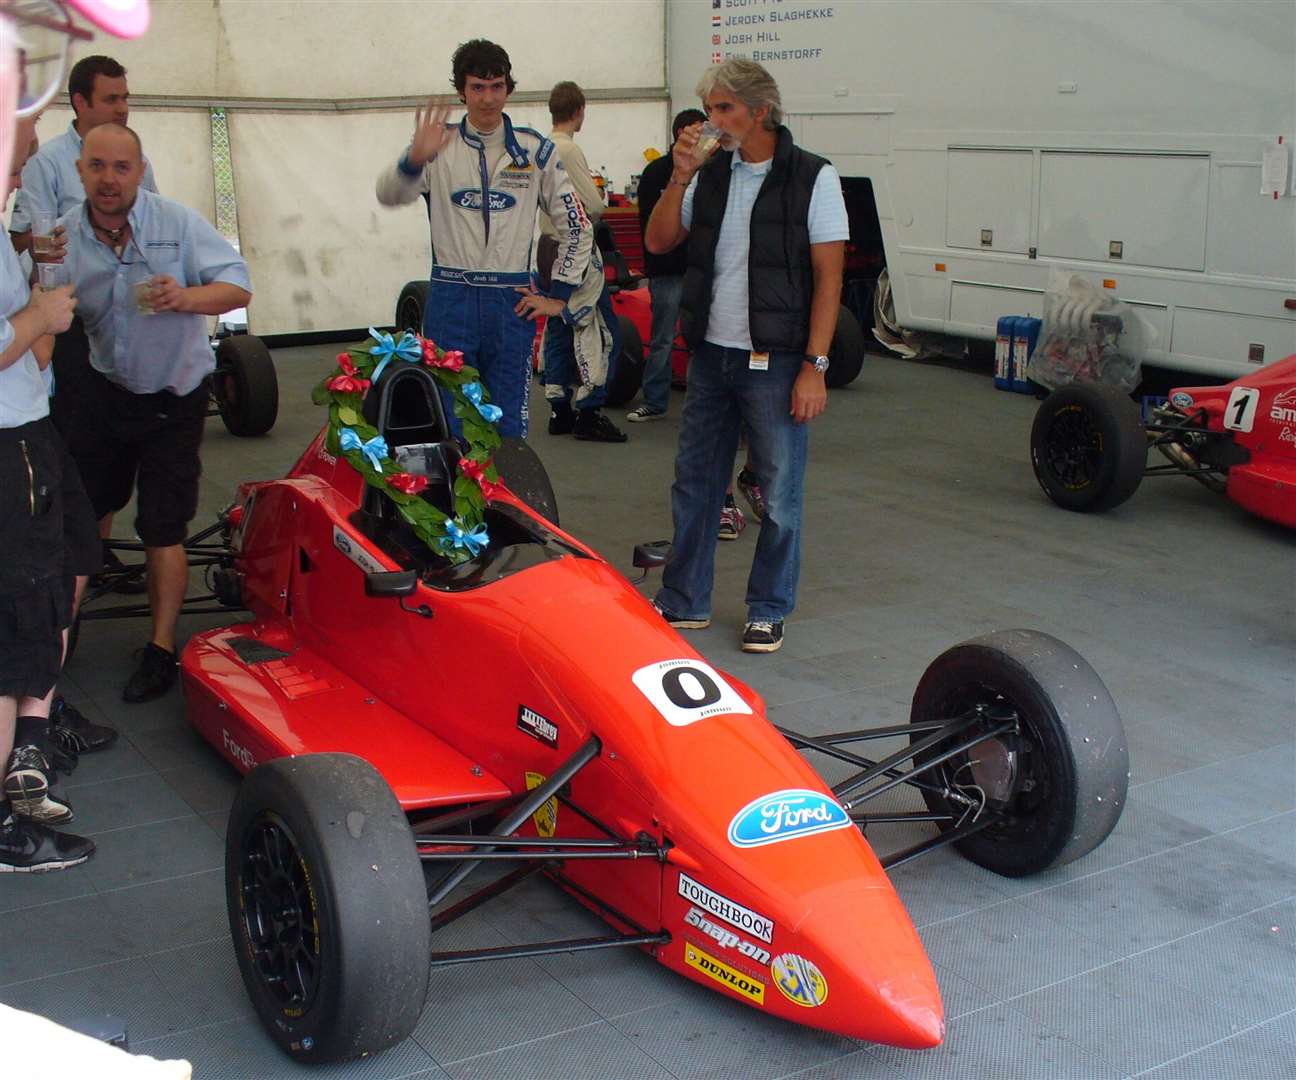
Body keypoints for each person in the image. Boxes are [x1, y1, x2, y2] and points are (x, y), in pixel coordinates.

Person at [0, 0, 152, 874]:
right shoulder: (35, 166)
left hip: (34, 420)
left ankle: (33, 735)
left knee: (72, 568)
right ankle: (10, 800)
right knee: (23, 619)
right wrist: (38, 312)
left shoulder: (13, 206)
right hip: (17, 430)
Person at [645, 59, 848, 654]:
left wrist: (815, 367)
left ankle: (768, 607)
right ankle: (684, 600)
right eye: (710, 109)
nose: (714, 122)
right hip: (711, 356)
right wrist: (680, 175)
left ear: (760, 111)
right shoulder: (708, 176)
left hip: (779, 361)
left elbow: (829, 281)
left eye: (725, 109)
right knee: (695, 483)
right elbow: (659, 242)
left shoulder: (814, 177)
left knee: (779, 494)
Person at [59, 122, 250, 703]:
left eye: (121, 168)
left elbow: (237, 287)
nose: (108, 179)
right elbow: (39, 310)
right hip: (106, 392)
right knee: (86, 511)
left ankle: (161, 647)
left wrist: (185, 298)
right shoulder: (64, 238)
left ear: (139, 172)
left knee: (162, 527)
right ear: (81, 171)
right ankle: (58, 637)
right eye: (97, 167)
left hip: (174, 397)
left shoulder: (176, 223)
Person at [376, 39, 593, 440]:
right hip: (449, 298)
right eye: (478, 87)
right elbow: (388, 194)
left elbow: (577, 225)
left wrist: (559, 294)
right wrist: (412, 161)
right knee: (450, 421)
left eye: (496, 87)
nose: (488, 98)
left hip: (510, 301)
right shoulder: (438, 146)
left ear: (509, 88)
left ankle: (502, 503)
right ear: (462, 91)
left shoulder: (535, 150)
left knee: (508, 424)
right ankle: (455, 502)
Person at [538, 80, 625, 443]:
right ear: (579, 111)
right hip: (574, 248)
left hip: (545, 246)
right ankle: (590, 411)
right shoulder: (568, 150)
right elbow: (593, 205)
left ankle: (559, 408)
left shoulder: (539, 148)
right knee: (599, 329)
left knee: (557, 327)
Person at [626, 106, 704, 424]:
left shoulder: (709, 172)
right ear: (681, 134)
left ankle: (706, 405)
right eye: (699, 131)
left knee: (705, 338)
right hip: (667, 271)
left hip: (699, 272)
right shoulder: (656, 173)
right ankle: (655, 402)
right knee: (663, 338)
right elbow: (651, 227)